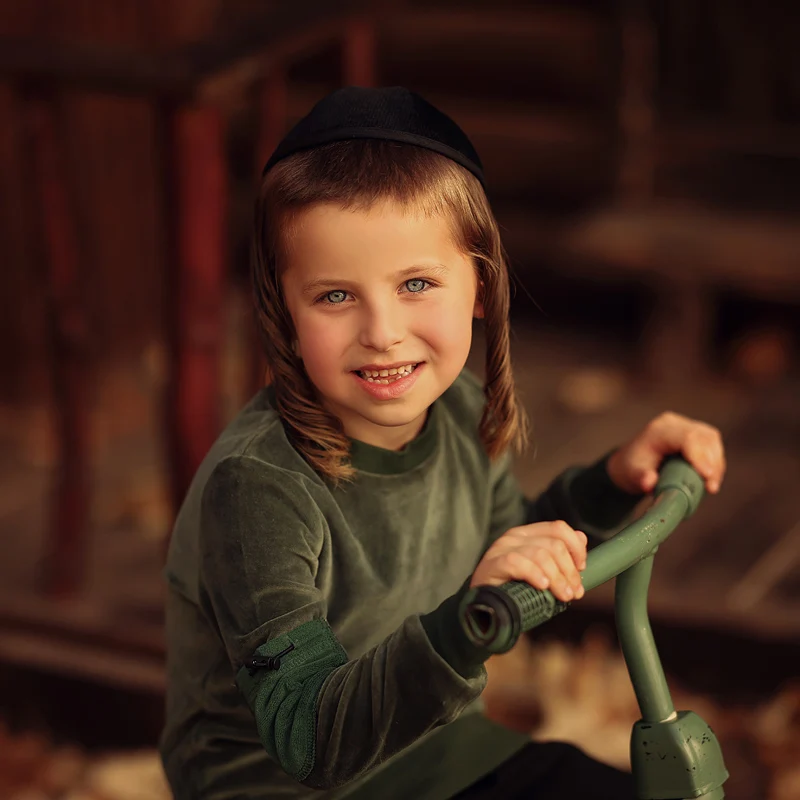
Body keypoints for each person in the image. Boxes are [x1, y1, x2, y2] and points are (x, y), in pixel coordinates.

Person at [159, 86, 726, 799]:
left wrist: (617, 480)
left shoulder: (458, 408)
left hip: (433, 753)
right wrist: (464, 622)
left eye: (417, 283)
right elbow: (308, 738)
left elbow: (504, 553)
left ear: (481, 284)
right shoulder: (259, 489)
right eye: (336, 295)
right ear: (283, 309)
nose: (383, 331)